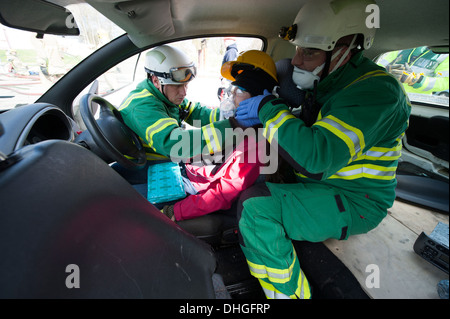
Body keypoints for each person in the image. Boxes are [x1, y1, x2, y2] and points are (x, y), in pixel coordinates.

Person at [233, 0, 411, 299]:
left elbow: (316, 159)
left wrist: (267, 109)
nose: (296, 62)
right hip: (323, 186)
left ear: (345, 50)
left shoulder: (376, 92)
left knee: (254, 209)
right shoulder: (327, 83)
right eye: (298, 50)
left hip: (357, 200)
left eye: (310, 52)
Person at [161, 50, 279, 221]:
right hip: (190, 173)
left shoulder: (257, 143)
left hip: (193, 190)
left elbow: (222, 193)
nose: (231, 97)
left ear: (258, 99)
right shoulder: (239, 125)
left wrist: (174, 211)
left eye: (239, 91)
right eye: (232, 89)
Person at [115, 45, 235, 189]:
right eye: (177, 86)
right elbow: (174, 144)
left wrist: (232, 115)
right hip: (143, 170)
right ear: (156, 80)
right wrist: (232, 126)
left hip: (163, 164)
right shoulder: (142, 107)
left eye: (186, 85)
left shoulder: (165, 96)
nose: (183, 92)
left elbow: (198, 112)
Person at [377, 46, 449, 95]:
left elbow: (446, 82)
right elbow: (379, 66)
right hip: (391, 94)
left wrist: (414, 79)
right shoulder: (403, 46)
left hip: (418, 101)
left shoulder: (445, 54)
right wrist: (385, 71)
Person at [218, 37, 239, 101]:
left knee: (221, 93)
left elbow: (230, 67)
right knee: (230, 95)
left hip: (228, 79)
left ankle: (224, 109)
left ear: (231, 41)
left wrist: (224, 78)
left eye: (226, 40)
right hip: (229, 79)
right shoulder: (232, 51)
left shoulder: (231, 51)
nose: (224, 42)